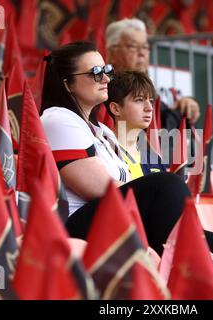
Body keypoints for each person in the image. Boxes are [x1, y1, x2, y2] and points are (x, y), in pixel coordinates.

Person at [39, 41, 199, 255]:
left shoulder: (102, 130)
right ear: (68, 84)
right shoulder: (57, 118)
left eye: (107, 70)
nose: (106, 78)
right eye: (95, 73)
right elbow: (98, 188)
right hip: (74, 226)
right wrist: (151, 198)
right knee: (166, 185)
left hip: (110, 218)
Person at [106, 18, 201, 131]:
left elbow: (164, 121)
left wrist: (186, 104)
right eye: (132, 46)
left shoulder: (148, 89)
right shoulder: (103, 90)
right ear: (112, 53)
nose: (142, 53)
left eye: (145, 47)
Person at [104, 70, 166, 180]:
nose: (149, 108)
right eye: (139, 100)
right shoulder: (103, 153)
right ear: (116, 109)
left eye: (151, 101)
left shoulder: (155, 160)